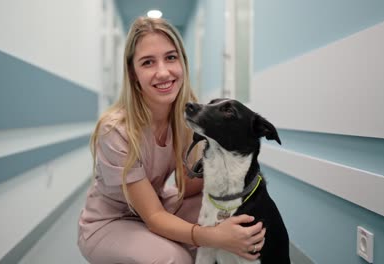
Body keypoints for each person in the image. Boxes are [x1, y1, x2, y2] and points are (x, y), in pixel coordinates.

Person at [78, 17, 266, 263]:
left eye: (170, 57)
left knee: (224, 213)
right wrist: (215, 236)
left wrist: (232, 169)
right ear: (133, 73)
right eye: (148, 62)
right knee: (176, 259)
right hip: (111, 221)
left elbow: (187, 188)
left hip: (157, 203)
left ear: (182, 63)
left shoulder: (184, 117)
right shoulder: (115, 130)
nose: (163, 72)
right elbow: (154, 217)